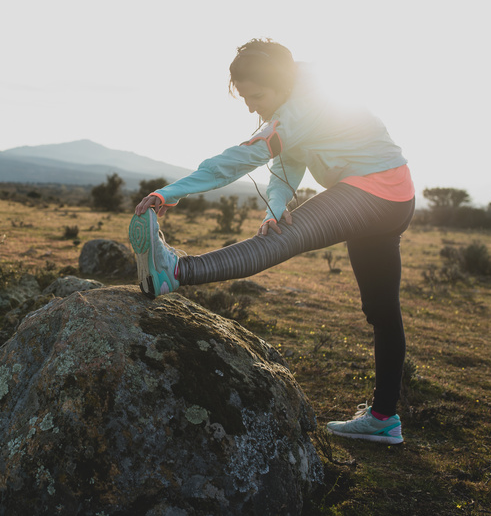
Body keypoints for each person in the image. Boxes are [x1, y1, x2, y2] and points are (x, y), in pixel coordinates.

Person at [128, 38, 414, 445]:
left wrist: (169, 192)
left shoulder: (304, 108)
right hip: (396, 196)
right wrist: (273, 210)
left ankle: (176, 270)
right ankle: (384, 418)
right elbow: (286, 165)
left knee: (283, 240)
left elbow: (241, 158)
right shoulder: (298, 104)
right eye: (244, 98)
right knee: (382, 311)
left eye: (256, 95)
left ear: (281, 83)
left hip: (374, 191)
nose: (250, 106)